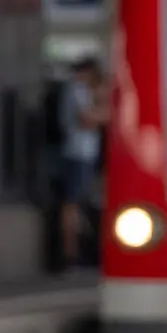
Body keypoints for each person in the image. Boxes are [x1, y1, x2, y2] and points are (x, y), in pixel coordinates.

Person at [59, 58, 107, 270]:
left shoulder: (81, 90)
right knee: (74, 204)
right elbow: (87, 119)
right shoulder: (76, 89)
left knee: (84, 202)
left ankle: (78, 253)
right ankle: (72, 255)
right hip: (78, 153)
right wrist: (107, 112)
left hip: (85, 153)